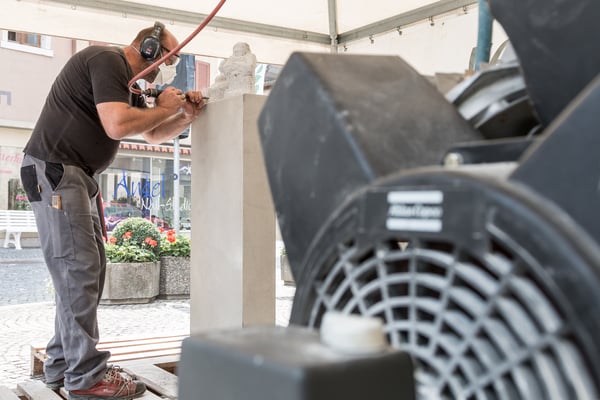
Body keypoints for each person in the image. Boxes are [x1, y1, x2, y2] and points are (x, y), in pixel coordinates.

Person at [20, 22, 205, 399]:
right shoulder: (107, 60)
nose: (168, 69)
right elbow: (117, 124)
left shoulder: (128, 84)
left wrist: (183, 117)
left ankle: (62, 366)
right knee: (78, 270)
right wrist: (165, 106)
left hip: (73, 175)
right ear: (149, 48)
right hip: (57, 169)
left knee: (85, 271)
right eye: (169, 58)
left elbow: (151, 133)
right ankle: (86, 378)